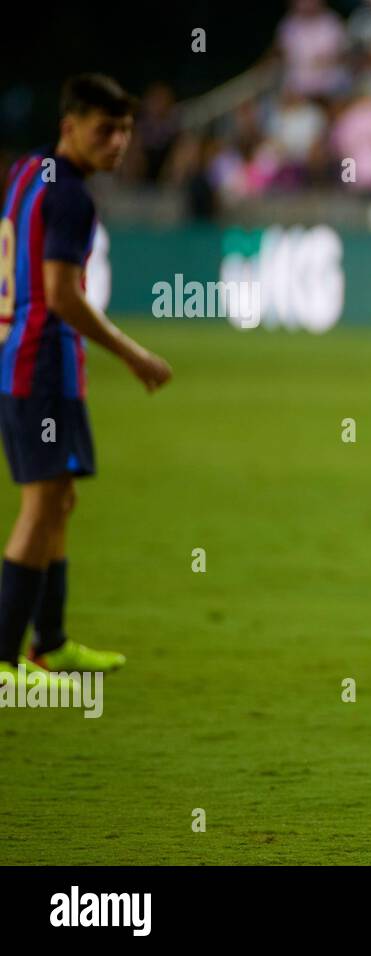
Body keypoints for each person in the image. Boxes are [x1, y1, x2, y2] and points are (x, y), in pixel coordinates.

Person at [0, 74, 173, 691]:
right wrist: (134, 354)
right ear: (69, 126)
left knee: (59, 501)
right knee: (41, 506)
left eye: (126, 129)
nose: (119, 142)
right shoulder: (71, 194)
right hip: (40, 364)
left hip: (24, 360)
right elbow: (61, 297)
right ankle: (6, 660)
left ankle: (49, 643)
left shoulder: (27, 172)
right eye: (106, 129)